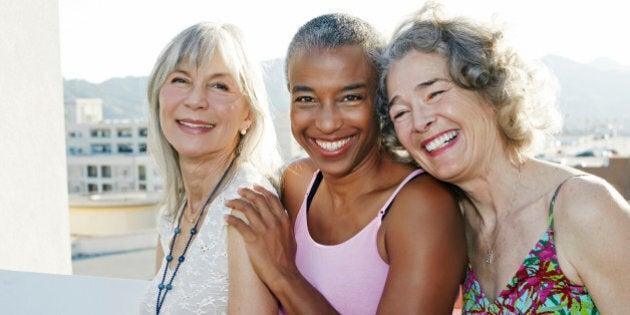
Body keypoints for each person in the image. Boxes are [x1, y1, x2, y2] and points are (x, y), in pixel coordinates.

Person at [379, 3, 630, 313]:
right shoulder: (455, 227)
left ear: (490, 92)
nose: (419, 122)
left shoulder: (583, 207)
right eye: (400, 112)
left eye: (435, 93)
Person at [225, 13, 466, 314]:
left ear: (381, 100)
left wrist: (283, 274)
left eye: (350, 97)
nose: (326, 123)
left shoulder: (421, 207)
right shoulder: (298, 182)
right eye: (306, 99)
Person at [138, 21, 282, 314]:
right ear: (158, 97)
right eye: (180, 80)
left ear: (248, 116)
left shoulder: (246, 207)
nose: (195, 101)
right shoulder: (172, 214)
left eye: (219, 86)